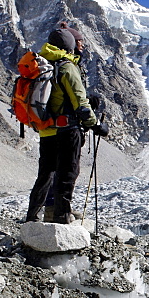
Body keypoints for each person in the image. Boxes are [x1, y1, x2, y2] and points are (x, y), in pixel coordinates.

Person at [25, 23, 108, 224]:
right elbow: (79, 102)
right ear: (69, 45)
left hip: (46, 130)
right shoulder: (67, 67)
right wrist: (96, 124)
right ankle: (62, 217)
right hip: (67, 130)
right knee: (67, 173)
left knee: (45, 174)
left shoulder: (43, 63)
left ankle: (32, 217)